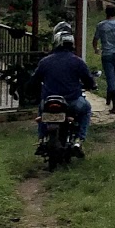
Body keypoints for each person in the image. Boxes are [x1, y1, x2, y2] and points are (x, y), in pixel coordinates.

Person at [33, 25, 96, 157]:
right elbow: (88, 80)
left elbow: (34, 79)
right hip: (72, 101)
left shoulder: (45, 62)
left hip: (49, 101)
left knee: (42, 111)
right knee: (86, 109)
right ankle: (78, 140)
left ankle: (41, 140)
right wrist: (92, 85)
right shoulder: (78, 62)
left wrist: (31, 89)